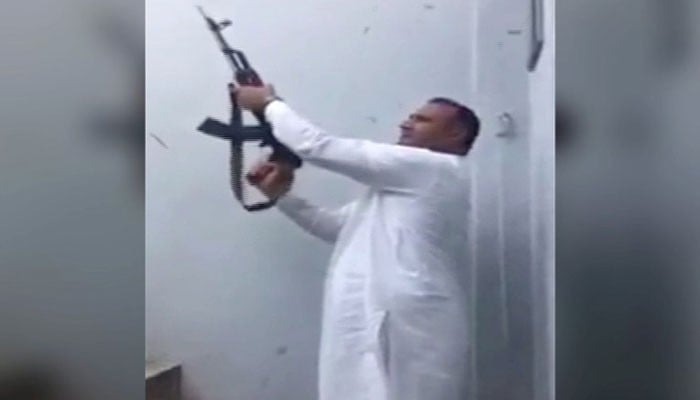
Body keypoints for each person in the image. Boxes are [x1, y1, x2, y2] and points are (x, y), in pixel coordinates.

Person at [234, 84, 480, 400]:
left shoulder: (435, 167)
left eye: (422, 120)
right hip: (386, 312)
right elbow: (335, 228)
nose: (405, 124)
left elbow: (317, 146)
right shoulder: (403, 185)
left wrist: (269, 104)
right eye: (410, 117)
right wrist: (282, 196)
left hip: (409, 318)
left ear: (455, 134)